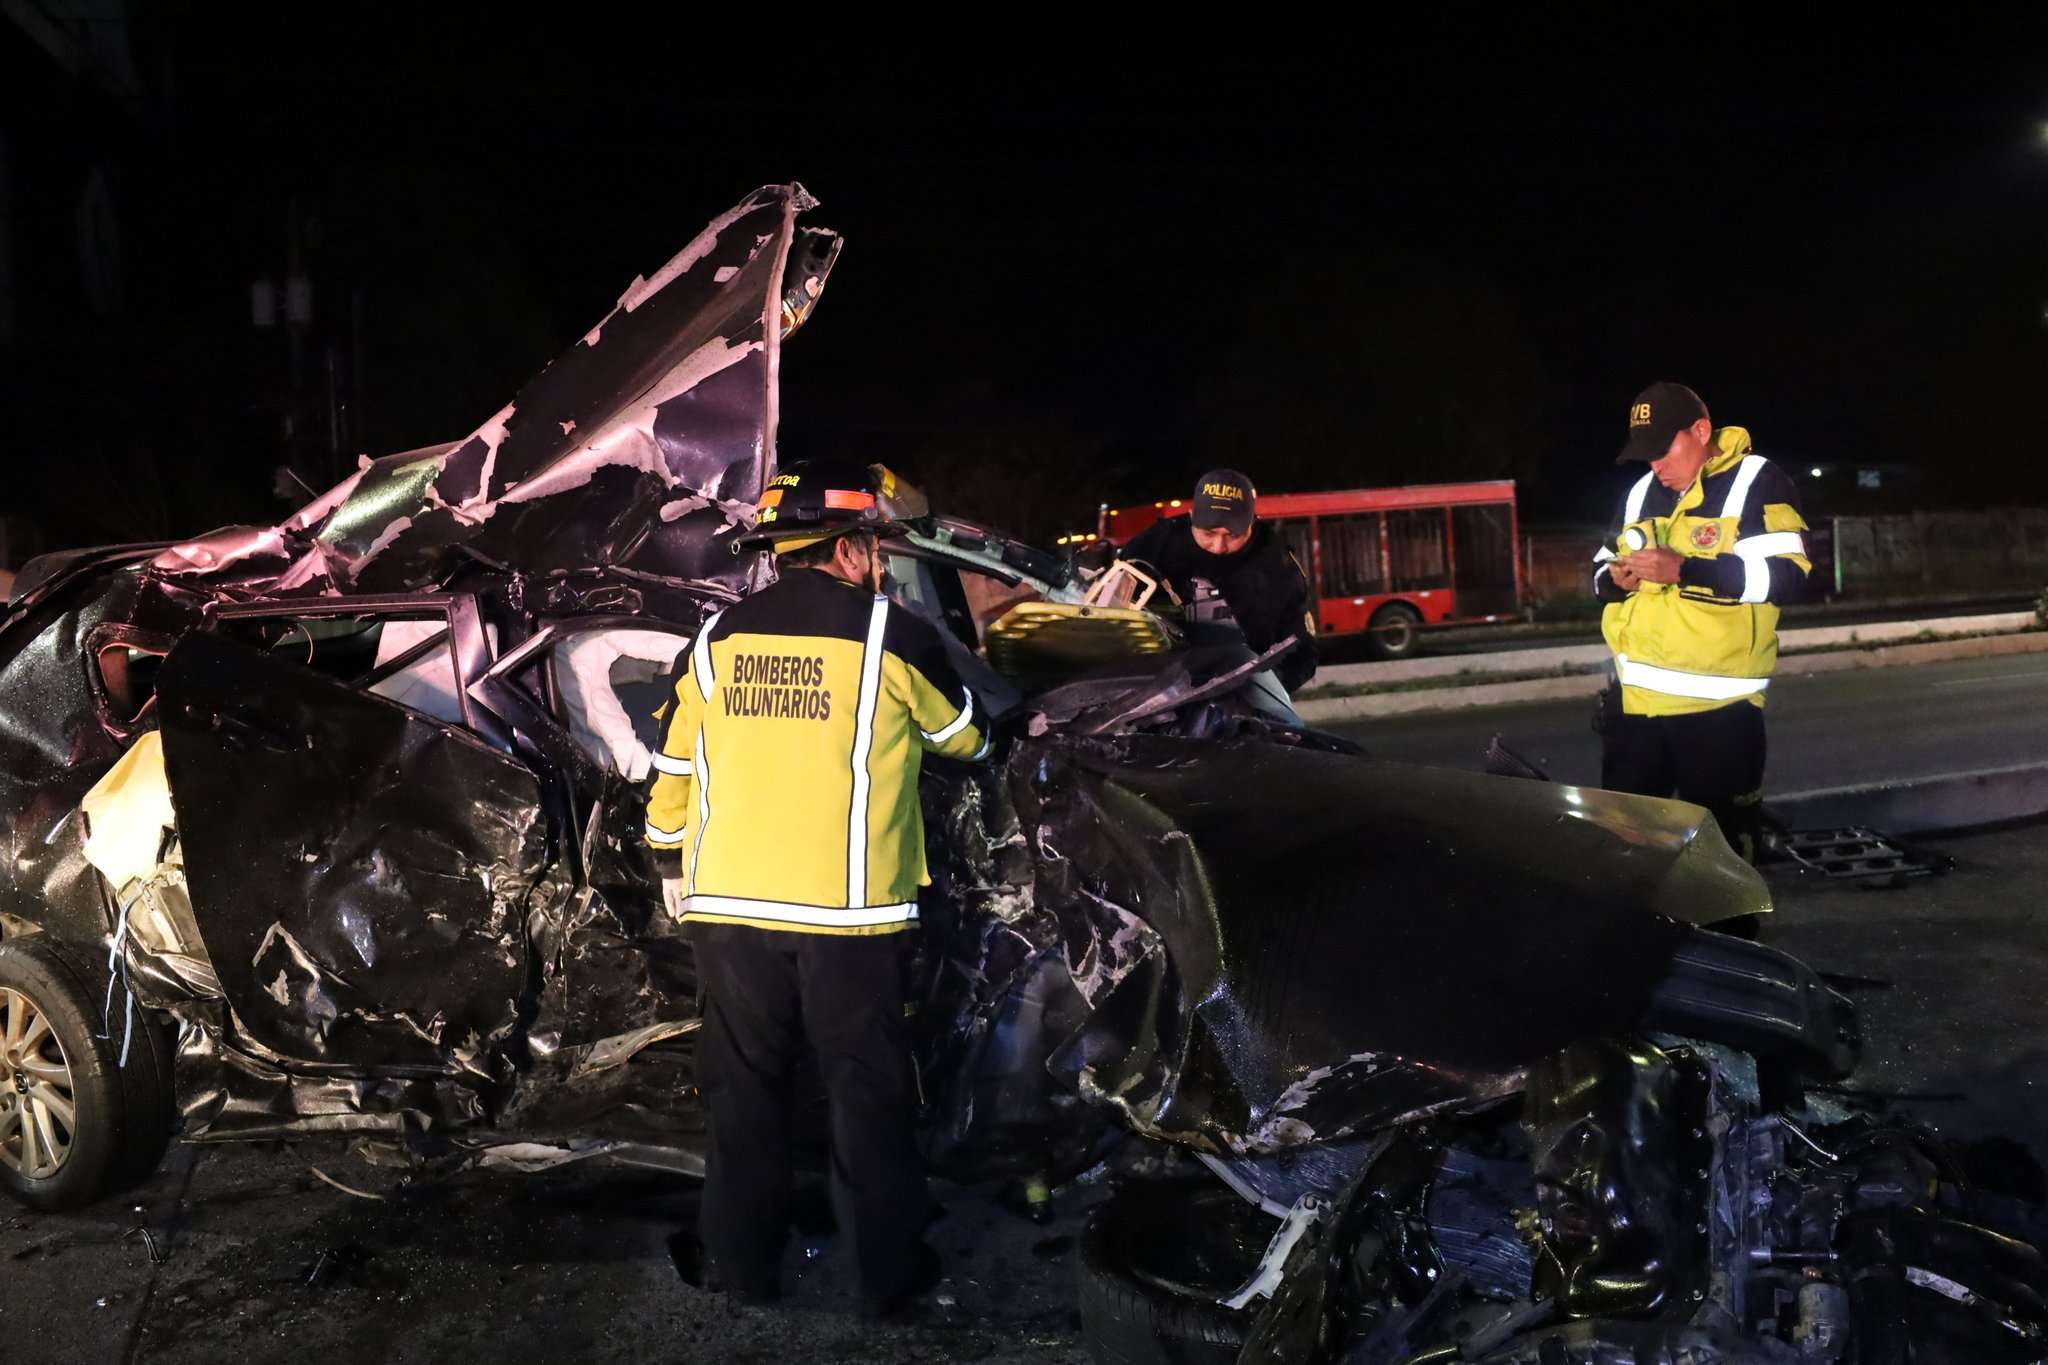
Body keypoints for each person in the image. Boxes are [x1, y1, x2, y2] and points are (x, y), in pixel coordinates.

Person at [643, 459, 989, 1318]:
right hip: (850, 917)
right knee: (865, 1097)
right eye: (872, 546)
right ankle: (887, 1280)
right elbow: (967, 740)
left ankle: (744, 1272)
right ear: (848, 549)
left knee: (743, 1097)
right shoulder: (890, 635)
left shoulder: (717, 638)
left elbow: (674, 770)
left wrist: (667, 866)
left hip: (726, 913)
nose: (877, 561)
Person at [1593, 382, 1812, 862]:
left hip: (1719, 717)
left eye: (1663, 450)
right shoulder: (1640, 492)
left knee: (1722, 865)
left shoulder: (1757, 481)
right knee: (1624, 858)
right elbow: (1598, 571)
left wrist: (1686, 569)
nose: (1656, 465)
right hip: (1633, 713)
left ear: (1701, 430)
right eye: (1645, 454)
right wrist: (1616, 581)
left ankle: (1728, 938)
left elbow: (1788, 577)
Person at [1117, 468, 1319, 692]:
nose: (1218, 547)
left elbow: (1302, 652)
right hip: (1154, 695)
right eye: (1208, 534)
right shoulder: (1152, 547)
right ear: (1192, 516)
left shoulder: (1279, 565)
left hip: (1248, 693)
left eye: (1233, 536)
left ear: (1252, 522)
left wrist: (1265, 688)